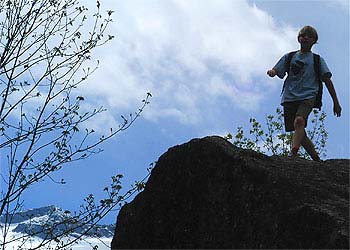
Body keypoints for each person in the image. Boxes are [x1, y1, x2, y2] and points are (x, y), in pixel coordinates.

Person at [267, 25, 342, 161]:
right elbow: (277, 69)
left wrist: (336, 102)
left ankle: (293, 153)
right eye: (303, 35)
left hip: (308, 96)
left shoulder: (317, 60)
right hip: (290, 97)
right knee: (299, 131)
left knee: (299, 121)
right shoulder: (290, 56)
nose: (305, 37)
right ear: (298, 39)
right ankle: (316, 158)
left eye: (309, 36)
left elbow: (327, 80)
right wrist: (273, 72)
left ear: (314, 41)